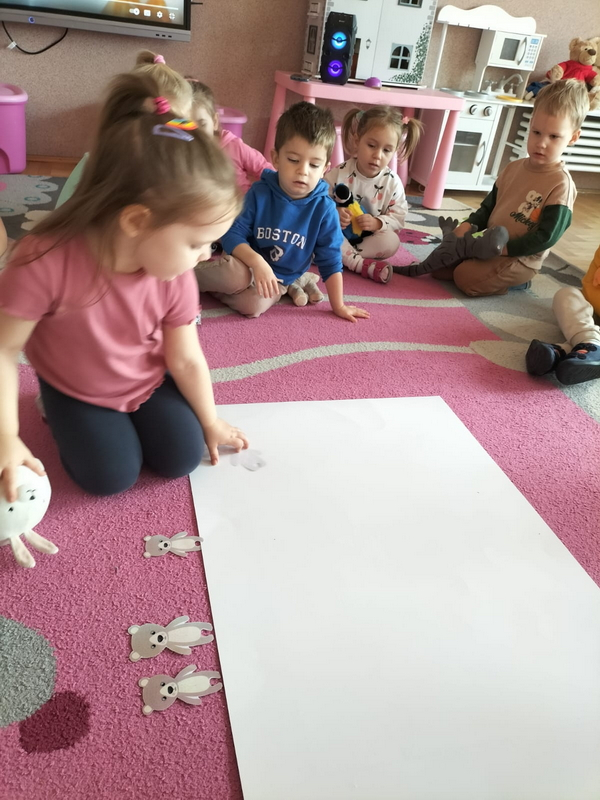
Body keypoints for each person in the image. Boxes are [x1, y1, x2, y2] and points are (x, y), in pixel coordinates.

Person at [0, 71, 248, 501]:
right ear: (136, 221)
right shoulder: (44, 259)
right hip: (75, 386)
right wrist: (6, 436)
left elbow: (185, 357)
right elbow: (4, 349)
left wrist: (210, 420)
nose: (206, 255)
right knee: (110, 476)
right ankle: (52, 405)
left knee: (182, 457)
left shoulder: (174, 273)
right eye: (196, 243)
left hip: (144, 379)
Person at [396, 80, 590, 296]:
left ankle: (517, 282)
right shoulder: (513, 168)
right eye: (536, 132)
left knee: (464, 279)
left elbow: (546, 237)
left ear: (573, 137)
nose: (541, 143)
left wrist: (507, 249)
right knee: (439, 268)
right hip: (488, 245)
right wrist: (468, 225)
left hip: (520, 258)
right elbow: (487, 208)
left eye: (553, 136)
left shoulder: (561, 185)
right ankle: (481, 268)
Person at [194, 101, 369, 322]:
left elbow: (330, 259)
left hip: (279, 281)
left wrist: (339, 305)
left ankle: (212, 287)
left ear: (325, 169)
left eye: (314, 165)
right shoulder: (260, 192)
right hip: (244, 263)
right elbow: (232, 234)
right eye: (293, 160)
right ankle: (182, 278)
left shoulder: (324, 209)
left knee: (253, 306)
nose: (303, 171)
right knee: (235, 277)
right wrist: (256, 262)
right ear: (276, 158)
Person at [56, 51, 193, 208]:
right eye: (157, 129)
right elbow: (63, 216)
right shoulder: (92, 167)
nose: (167, 140)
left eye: (179, 126)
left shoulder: (186, 174)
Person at [324, 105, 422, 284]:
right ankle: (355, 262)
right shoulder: (340, 173)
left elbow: (398, 217)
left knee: (391, 242)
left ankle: (341, 256)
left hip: (366, 240)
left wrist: (378, 223)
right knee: (317, 231)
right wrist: (334, 212)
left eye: (386, 150)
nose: (377, 155)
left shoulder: (392, 183)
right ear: (357, 140)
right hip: (337, 235)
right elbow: (319, 200)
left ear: (394, 151)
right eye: (371, 145)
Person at [525, 244, 600, 385]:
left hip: (588, 320)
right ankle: (588, 347)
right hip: (589, 310)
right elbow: (589, 286)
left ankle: (562, 353)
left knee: (584, 333)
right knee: (566, 294)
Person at [187, 78, 273, 193]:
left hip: (244, 203)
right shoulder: (181, 154)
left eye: (202, 124)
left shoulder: (235, 147)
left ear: (215, 121)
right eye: (186, 126)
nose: (195, 133)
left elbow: (266, 170)